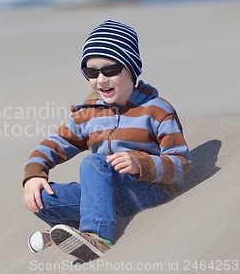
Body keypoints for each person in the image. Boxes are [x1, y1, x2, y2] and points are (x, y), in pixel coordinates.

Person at [23, 20, 191, 262]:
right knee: (42, 197)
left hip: (148, 191)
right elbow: (53, 143)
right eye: (91, 72)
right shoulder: (90, 113)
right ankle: (73, 229)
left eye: (110, 70)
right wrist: (34, 174)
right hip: (105, 196)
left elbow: (181, 165)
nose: (101, 79)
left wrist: (141, 164)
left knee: (93, 163)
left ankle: (97, 237)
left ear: (131, 68)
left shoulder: (156, 110)